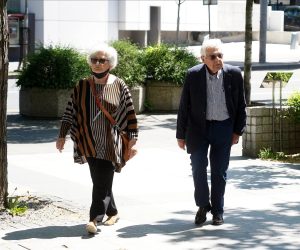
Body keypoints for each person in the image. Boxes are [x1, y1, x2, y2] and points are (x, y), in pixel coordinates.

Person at [56, 44, 138, 234]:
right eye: (94, 60)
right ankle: (113, 212)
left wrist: (133, 136)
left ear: (111, 64)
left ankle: (94, 219)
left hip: (111, 141)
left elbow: (130, 112)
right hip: (88, 139)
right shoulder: (82, 85)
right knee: (100, 179)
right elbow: (70, 111)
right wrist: (62, 135)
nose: (98, 63)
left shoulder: (119, 84)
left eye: (102, 60)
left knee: (101, 179)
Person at [176, 39, 246, 226]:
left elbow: (241, 104)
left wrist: (238, 131)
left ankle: (218, 211)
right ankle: (202, 205)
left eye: (220, 55)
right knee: (198, 169)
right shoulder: (193, 75)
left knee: (219, 172)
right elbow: (184, 105)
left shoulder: (234, 74)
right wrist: (180, 135)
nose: (217, 60)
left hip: (224, 128)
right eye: (212, 56)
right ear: (203, 58)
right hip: (198, 129)